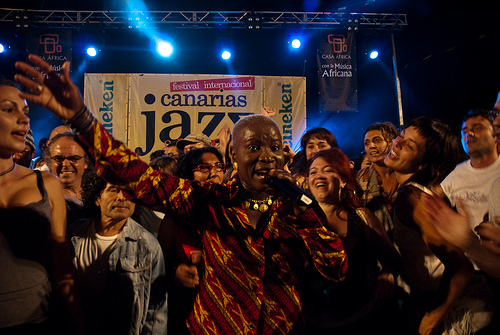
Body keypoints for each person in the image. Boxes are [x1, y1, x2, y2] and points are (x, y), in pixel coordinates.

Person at [15, 54, 348, 335]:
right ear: (233, 155)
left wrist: (302, 209)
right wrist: (81, 119)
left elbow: (336, 268)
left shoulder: (297, 208)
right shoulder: (210, 200)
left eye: (275, 148)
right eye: (254, 147)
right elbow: (138, 177)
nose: (266, 156)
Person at [386, 116, 493, 334]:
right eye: (402, 135)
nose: (397, 143)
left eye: (410, 145)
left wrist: (432, 317)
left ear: (423, 162)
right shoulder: (417, 190)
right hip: (449, 298)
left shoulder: (410, 198)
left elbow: (460, 267)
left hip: (460, 308)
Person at [0, 78, 79, 332]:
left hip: (39, 322)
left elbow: (61, 267)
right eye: (8, 109)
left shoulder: (46, 184)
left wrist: (80, 322)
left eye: (25, 111)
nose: (25, 120)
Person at [302, 148, 402, 335]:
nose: (319, 176)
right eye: (313, 172)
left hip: (361, 321)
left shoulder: (362, 217)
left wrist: (387, 274)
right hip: (311, 325)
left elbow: (393, 260)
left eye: (328, 170)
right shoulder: (298, 220)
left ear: (343, 180)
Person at [71, 175, 167, 334]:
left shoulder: (147, 246)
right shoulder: (74, 235)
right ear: (97, 198)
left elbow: (156, 311)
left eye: (128, 192)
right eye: (113, 190)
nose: (122, 197)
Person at [159, 146, 225, 335]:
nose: (213, 172)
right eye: (204, 167)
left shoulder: (236, 214)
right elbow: (156, 268)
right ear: (188, 176)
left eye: (219, 166)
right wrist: (174, 273)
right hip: (187, 318)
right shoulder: (175, 219)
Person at [441, 109, 500, 230]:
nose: (469, 134)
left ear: (495, 133)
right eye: (464, 131)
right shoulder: (454, 176)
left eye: (477, 128)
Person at [356, 122, 399, 241]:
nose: (371, 146)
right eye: (367, 143)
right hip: (375, 245)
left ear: (392, 143)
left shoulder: (404, 173)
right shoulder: (360, 178)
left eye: (377, 140)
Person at [45, 132, 91, 226]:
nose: (65, 164)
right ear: (50, 162)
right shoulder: (43, 201)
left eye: (74, 158)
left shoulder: (98, 195)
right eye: (58, 158)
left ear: (86, 162)